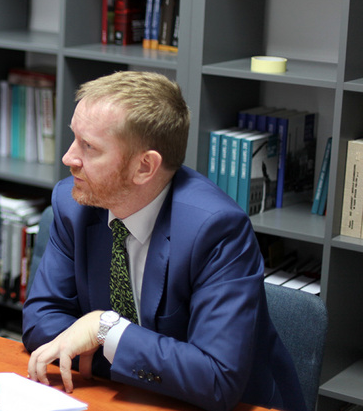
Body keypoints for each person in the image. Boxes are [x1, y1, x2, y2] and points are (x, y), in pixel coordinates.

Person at [22, 71, 306, 411]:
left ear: (144, 167)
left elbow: (216, 380)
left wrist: (104, 329)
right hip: (128, 399)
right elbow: (40, 319)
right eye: (74, 138)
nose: (69, 158)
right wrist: (120, 359)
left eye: (89, 147)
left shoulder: (217, 230)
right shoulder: (74, 204)